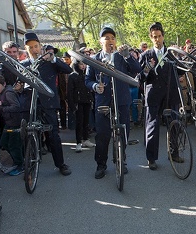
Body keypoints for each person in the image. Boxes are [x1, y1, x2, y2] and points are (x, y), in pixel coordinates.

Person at [85, 27, 141, 179]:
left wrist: (128, 56)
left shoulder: (121, 57)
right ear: (100, 41)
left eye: (112, 38)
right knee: (102, 135)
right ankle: (101, 164)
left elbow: (137, 69)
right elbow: (88, 80)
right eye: (106, 38)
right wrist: (95, 86)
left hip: (122, 100)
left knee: (123, 133)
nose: (110, 41)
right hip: (103, 102)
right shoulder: (93, 59)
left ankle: (121, 161)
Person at [21, 32, 72, 176]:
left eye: (36, 46)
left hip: (48, 104)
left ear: (40, 47)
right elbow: (17, 83)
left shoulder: (49, 62)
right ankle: (30, 166)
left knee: (53, 135)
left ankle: (60, 164)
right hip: (31, 105)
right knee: (30, 134)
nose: (34, 50)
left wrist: (54, 58)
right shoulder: (24, 65)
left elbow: (68, 69)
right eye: (30, 47)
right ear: (26, 49)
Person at [138, 22, 185, 170]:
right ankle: (151, 158)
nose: (157, 40)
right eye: (154, 37)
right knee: (152, 126)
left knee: (174, 125)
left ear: (163, 36)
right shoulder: (146, 55)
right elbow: (140, 78)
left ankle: (174, 153)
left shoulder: (171, 54)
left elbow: (181, 71)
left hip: (171, 95)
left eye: (159, 36)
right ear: (150, 38)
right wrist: (147, 69)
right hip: (153, 95)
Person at [0, 74, 24, 176]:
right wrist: (0, 102)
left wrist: (1, 108)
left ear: (3, 84)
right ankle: (18, 159)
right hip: (10, 122)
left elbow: (16, 107)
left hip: (14, 123)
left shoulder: (8, 92)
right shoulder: (5, 91)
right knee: (4, 142)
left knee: (13, 145)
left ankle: (20, 164)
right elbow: (7, 103)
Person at [67, 58, 94, 153]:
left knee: (86, 121)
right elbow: (69, 92)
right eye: (81, 64)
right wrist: (72, 105)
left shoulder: (86, 75)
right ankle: (78, 142)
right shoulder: (72, 76)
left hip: (86, 100)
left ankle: (86, 139)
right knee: (79, 122)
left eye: (84, 64)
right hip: (77, 102)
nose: (83, 66)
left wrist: (91, 100)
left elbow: (89, 89)